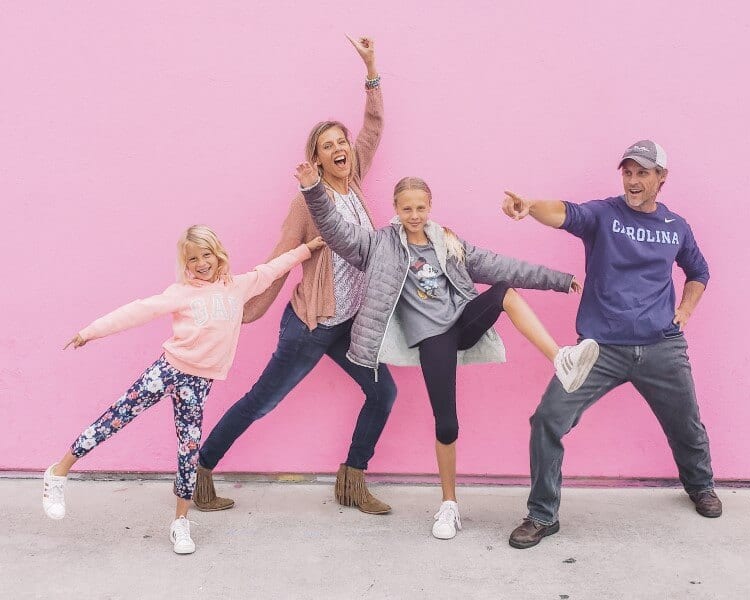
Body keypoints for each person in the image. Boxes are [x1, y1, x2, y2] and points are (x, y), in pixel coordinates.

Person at [295, 164, 600, 540]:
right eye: (407, 209)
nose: (414, 215)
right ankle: (449, 505)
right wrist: (313, 189)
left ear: (430, 206)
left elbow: (498, 264)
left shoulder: (447, 242)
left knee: (504, 288)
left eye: (421, 208)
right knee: (447, 423)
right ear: (395, 208)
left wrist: (559, 280)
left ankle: (561, 358)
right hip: (431, 339)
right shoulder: (378, 245)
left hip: (461, 322)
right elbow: (335, 229)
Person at [193, 36, 398, 516]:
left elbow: (373, 126)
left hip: (352, 325)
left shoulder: (356, 178)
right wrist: (240, 310)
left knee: (383, 392)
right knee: (263, 401)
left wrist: (371, 68)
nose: (339, 148)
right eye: (328, 147)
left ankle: (352, 481)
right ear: (319, 159)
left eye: (341, 141)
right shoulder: (310, 203)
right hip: (311, 325)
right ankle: (199, 472)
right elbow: (282, 257)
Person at [43, 225, 322, 554]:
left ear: (218, 254)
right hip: (167, 370)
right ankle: (58, 473)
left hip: (198, 386)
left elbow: (274, 267)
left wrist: (308, 248)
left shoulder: (237, 287)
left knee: (188, 453)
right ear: (185, 263)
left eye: (206, 255)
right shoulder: (181, 292)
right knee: (115, 418)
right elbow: (137, 310)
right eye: (193, 258)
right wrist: (91, 331)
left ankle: (180, 524)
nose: (201, 263)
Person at [503, 139, 720, 550]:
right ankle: (542, 515)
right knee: (548, 418)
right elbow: (565, 212)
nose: (633, 180)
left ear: (661, 178)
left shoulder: (676, 227)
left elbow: (699, 271)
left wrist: (686, 311)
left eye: (642, 172)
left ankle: (701, 486)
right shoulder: (604, 214)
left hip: (661, 346)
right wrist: (531, 207)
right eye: (628, 172)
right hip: (599, 349)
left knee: (686, 424)